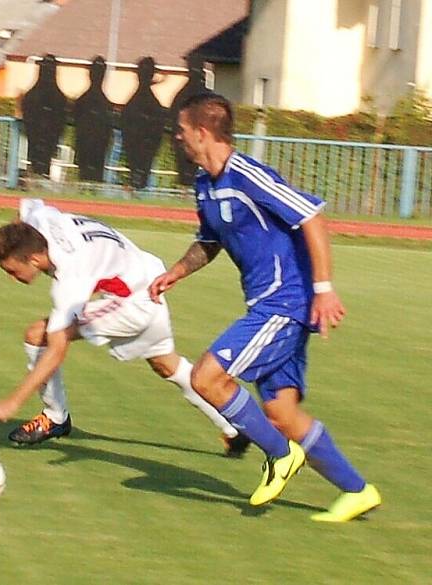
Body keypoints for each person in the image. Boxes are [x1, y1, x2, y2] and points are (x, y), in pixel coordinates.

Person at [148, 92, 381, 522]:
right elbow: (210, 241)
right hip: (270, 303)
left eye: (181, 132)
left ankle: (279, 456)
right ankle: (357, 490)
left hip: (285, 302)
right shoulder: (205, 185)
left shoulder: (248, 175)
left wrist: (324, 288)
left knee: (207, 377)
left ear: (202, 133)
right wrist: (177, 271)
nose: (177, 139)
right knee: (280, 412)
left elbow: (311, 216)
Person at [0, 197, 251, 456]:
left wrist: (11, 403)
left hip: (133, 302)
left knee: (37, 336)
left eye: (13, 271)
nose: (11, 277)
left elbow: (56, 351)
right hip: (147, 275)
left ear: (35, 258)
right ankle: (235, 427)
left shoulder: (71, 276)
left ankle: (54, 418)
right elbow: (22, 217)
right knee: (164, 364)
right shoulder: (39, 224)